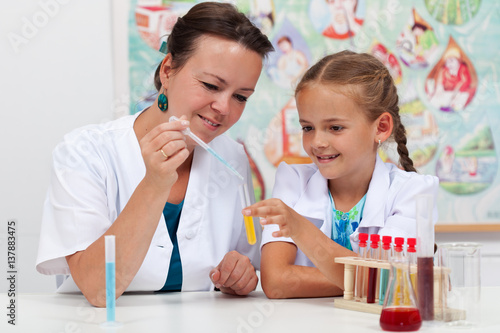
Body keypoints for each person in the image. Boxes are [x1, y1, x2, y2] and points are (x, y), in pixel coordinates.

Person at [36, 2, 273, 307]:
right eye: (211, 85)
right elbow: (98, 288)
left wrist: (240, 273)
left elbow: (244, 260)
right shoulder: (84, 153)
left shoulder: (233, 158)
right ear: (168, 70)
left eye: (241, 97)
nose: (225, 108)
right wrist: (154, 183)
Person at [243, 51, 439, 298]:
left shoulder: (414, 192)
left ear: (381, 127)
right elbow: (277, 282)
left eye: (335, 127)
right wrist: (375, 278)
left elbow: (393, 282)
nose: (317, 142)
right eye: (307, 128)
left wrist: (301, 229)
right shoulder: (292, 180)